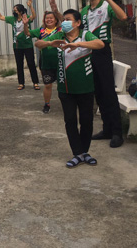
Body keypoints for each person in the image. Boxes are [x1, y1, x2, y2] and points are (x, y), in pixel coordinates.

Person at [35, 9, 104, 168]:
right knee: (70, 121)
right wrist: (50, 43)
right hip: (65, 88)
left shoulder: (85, 35)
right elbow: (38, 44)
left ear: (78, 23)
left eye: (68, 19)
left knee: (86, 121)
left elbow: (100, 44)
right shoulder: (59, 36)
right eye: (64, 20)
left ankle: (84, 152)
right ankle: (77, 153)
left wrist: (78, 44)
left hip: (86, 87)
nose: (65, 22)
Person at [83, 0, 127, 148]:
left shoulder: (106, 6)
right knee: (98, 93)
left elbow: (123, 16)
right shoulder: (85, 10)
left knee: (108, 92)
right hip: (88, 51)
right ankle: (107, 129)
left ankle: (117, 132)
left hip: (102, 51)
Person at [0, 0, 40, 90]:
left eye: (16, 10)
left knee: (31, 64)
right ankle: (21, 83)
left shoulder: (26, 17)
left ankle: (35, 82)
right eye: (14, 10)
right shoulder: (12, 19)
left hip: (28, 45)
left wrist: (30, 6)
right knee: (19, 65)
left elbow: (34, 16)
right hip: (17, 46)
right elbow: (1, 17)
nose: (14, 11)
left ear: (21, 11)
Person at [24, 2, 62, 113]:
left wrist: (56, 11)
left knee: (62, 86)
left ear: (56, 20)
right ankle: (47, 104)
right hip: (46, 63)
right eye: (47, 18)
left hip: (60, 62)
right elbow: (28, 33)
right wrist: (25, 24)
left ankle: (67, 103)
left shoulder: (61, 30)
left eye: (51, 18)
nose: (48, 20)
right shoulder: (41, 30)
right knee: (48, 85)